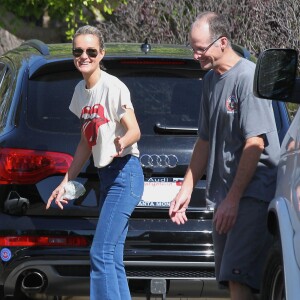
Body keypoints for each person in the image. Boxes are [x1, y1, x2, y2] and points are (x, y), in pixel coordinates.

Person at [169, 12, 280, 300]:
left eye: (200, 49)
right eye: (192, 48)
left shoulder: (248, 77)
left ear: (222, 43)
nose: (195, 55)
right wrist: (187, 187)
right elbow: (204, 141)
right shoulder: (210, 80)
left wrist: (233, 199)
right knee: (232, 279)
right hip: (225, 197)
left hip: (251, 194)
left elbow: (255, 143)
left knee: (237, 276)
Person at [46, 25, 144, 300]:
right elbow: (85, 143)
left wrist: (122, 142)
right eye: (78, 51)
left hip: (125, 174)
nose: (84, 57)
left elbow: (135, 129)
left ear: (102, 53)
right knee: (112, 257)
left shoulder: (113, 87)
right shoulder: (81, 91)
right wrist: (66, 181)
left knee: (100, 253)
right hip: (107, 177)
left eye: (91, 51)